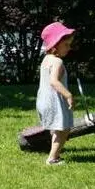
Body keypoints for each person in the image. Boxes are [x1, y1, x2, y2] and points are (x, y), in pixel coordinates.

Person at [36, 21, 76, 165]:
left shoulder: (46, 59)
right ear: (55, 44)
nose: (69, 48)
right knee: (64, 130)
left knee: (57, 129)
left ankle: (55, 155)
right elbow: (54, 81)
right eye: (66, 44)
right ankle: (52, 158)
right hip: (54, 101)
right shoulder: (57, 62)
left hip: (43, 101)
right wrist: (68, 95)